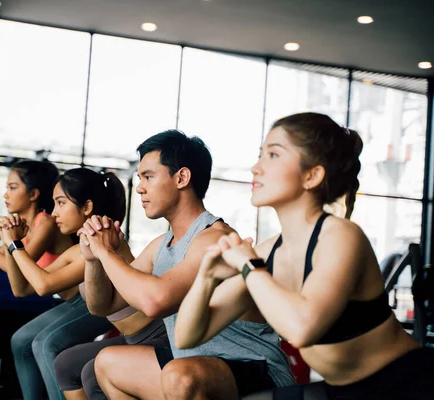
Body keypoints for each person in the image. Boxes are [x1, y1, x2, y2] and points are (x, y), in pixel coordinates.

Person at [174, 112, 434, 400]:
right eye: (260, 155)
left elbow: (302, 328)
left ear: (312, 175)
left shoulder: (340, 236)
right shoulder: (267, 253)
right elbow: (188, 336)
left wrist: (248, 266)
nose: (256, 168)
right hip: (342, 391)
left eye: (273, 155)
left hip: (409, 387)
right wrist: (206, 276)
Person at [78, 130, 295, 399]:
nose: (141, 187)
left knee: (180, 376)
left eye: (148, 176)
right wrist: (93, 259)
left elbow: (155, 301)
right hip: (194, 369)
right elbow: (103, 305)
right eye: (140, 179)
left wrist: (104, 250)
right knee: (108, 363)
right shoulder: (162, 244)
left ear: (182, 177)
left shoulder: (215, 239)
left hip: (254, 369)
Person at [0, 168, 133, 400]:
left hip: (132, 328)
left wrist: (14, 246)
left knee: (46, 344)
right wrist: (15, 245)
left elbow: (43, 285)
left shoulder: (102, 239)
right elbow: (22, 288)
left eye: (61, 203)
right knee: (22, 341)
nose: (54, 213)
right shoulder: (78, 248)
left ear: (87, 207)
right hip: (97, 310)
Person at [0, 160, 72, 276]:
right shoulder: (19, 229)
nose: (6, 195)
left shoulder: (47, 223)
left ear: (33, 194)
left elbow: (18, 267)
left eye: (12, 188)